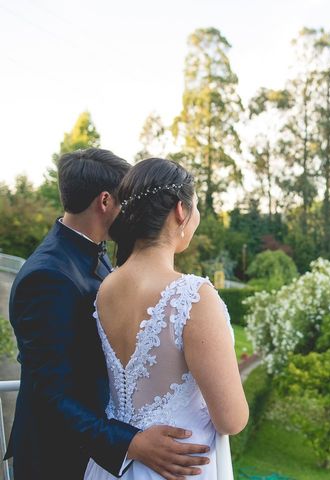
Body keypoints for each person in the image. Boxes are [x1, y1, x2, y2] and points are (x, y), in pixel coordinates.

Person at [6, 149, 210, 479]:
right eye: (126, 201)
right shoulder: (46, 277)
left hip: (91, 450)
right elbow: (51, 394)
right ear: (104, 202)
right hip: (57, 459)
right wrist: (132, 443)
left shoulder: (95, 256)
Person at [84, 158, 248, 479]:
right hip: (179, 466)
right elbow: (231, 419)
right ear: (180, 211)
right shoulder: (193, 296)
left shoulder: (106, 287)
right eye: (196, 207)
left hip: (115, 465)